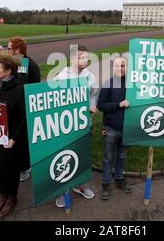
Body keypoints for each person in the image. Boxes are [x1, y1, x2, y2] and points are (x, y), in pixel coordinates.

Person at [0, 54, 29, 219]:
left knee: (11, 169)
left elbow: (25, 117)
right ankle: (3, 195)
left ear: (8, 71)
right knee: (0, 168)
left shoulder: (19, 89)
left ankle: (12, 198)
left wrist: (14, 138)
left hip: (11, 140)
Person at [53, 44, 98, 207]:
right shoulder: (61, 76)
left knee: (80, 155)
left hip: (84, 125)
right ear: (72, 58)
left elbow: (93, 95)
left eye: (86, 56)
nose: (85, 59)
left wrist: (93, 106)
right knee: (62, 158)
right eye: (81, 56)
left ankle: (80, 185)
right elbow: (53, 99)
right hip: (64, 127)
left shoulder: (90, 76)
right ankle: (60, 190)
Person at [97, 55, 132, 200]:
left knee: (122, 156)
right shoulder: (108, 84)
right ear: (113, 67)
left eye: (123, 65)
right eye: (117, 66)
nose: (120, 68)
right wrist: (119, 105)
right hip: (111, 128)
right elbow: (101, 105)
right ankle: (106, 183)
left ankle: (119, 179)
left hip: (128, 128)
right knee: (108, 157)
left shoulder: (132, 84)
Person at [7, 36, 41, 182]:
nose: (7, 50)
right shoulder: (11, 64)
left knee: (23, 141)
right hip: (12, 109)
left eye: (9, 48)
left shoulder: (32, 66)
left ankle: (26, 167)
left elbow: (35, 91)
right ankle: (17, 163)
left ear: (17, 50)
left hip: (25, 111)